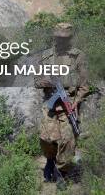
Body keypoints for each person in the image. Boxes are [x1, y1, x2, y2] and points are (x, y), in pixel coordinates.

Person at [34, 23, 89, 188]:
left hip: (69, 104)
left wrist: (76, 102)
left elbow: (84, 85)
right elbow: (37, 81)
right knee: (45, 139)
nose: (61, 40)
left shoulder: (78, 56)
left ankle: (61, 173)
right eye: (59, 37)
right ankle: (50, 159)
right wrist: (49, 81)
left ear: (70, 38)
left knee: (68, 141)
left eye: (65, 38)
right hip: (51, 103)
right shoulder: (45, 56)